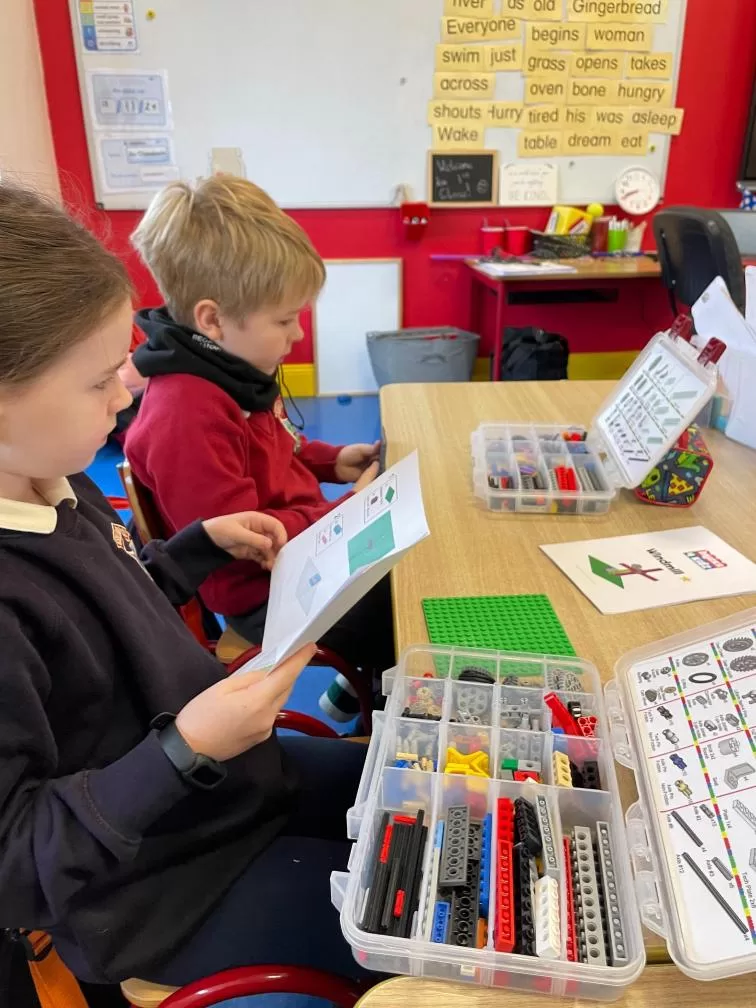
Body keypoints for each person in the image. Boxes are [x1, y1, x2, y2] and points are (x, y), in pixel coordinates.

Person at [0, 184, 370, 989]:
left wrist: (191, 551)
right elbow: (17, 866)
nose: (127, 392)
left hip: (224, 792)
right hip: (157, 888)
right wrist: (185, 749)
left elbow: (112, 606)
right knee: (411, 933)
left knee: (428, 799)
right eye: (100, 379)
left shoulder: (56, 478)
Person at [125, 176, 395, 722]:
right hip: (267, 593)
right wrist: (350, 510)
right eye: (285, 320)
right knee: (404, 612)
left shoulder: (231, 369)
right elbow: (252, 542)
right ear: (213, 320)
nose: (298, 335)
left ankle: (353, 689)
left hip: (304, 548)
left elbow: (277, 443)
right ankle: (375, 704)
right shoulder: (185, 415)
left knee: (403, 568)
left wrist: (330, 460)